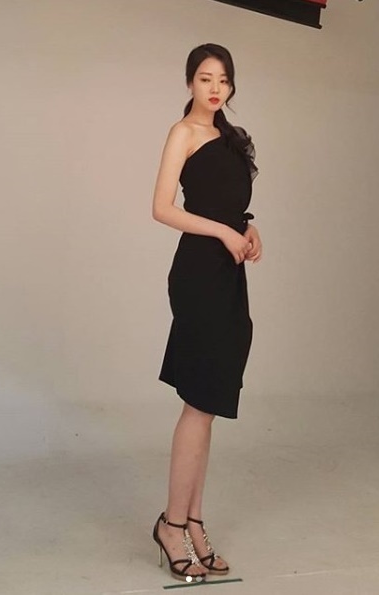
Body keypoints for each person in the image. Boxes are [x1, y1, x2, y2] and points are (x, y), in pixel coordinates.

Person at [151, 43, 262, 583]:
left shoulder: (233, 138)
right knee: (198, 401)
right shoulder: (184, 133)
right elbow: (161, 208)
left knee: (210, 401)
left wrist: (249, 226)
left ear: (231, 86)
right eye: (204, 78)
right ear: (190, 83)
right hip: (198, 273)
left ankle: (193, 520)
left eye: (223, 79)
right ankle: (172, 525)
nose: (215, 88)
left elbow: (231, 204)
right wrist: (222, 231)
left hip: (229, 273)